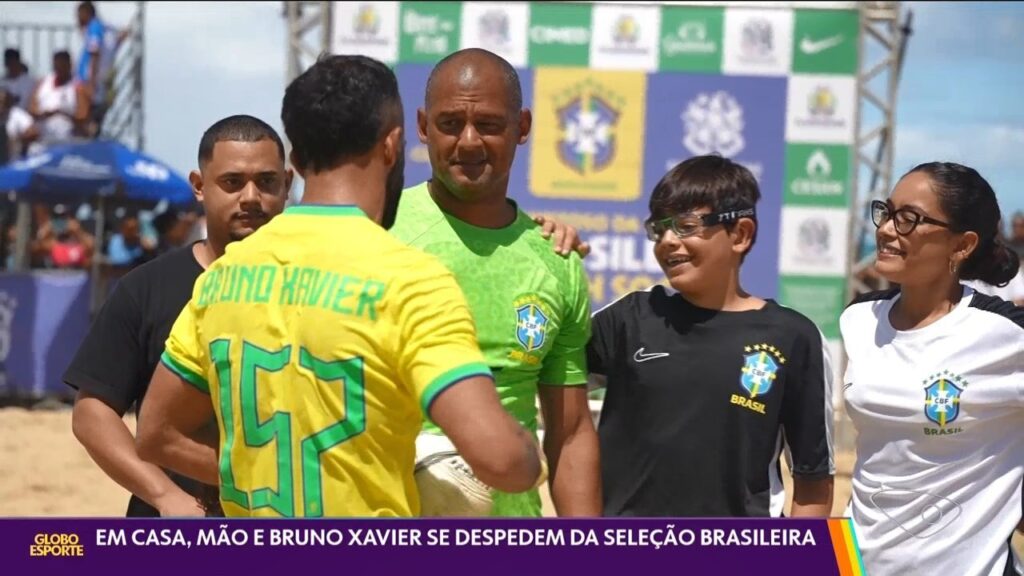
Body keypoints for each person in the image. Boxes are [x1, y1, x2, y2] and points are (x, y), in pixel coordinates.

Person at [136, 54, 544, 517]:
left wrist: (262, 473)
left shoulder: (224, 275)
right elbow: (502, 461)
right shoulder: (410, 280)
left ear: (296, 158)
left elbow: (155, 434)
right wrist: (530, 456)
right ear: (391, 146)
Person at [391, 48, 599, 517]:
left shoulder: (556, 260)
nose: (468, 142)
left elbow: (570, 433)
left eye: (487, 124)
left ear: (522, 127)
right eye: (450, 124)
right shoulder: (378, 231)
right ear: (422, 126)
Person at [63, 114, 293, 517]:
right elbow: (92, 412)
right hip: (174, 528)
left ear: (287, 185)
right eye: (232, 182)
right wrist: (165, 495)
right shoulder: (146, 288)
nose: (251, 197)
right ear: (199, 186)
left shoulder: (318, 288)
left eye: (266, 181)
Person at [587, 155, 835, 518]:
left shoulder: (794, 337)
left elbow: (814, 483)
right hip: (627, 547)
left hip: (742, 548)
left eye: (686, 226)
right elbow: (539, 378)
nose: (667, 241)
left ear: (741, 234)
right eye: (659, 229)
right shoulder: (629, 318)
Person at [841, 162, 1022, 575]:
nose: (887, 229)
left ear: (962, 245)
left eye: (909, 218)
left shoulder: (1006, 335)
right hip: (856, 563)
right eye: (887, 212)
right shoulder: (858, 319)